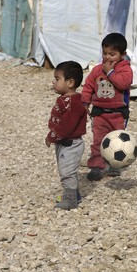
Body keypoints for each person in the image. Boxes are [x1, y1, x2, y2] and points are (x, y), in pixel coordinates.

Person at [81, 33, 133, 181]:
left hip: (118, 113)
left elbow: (123, 83)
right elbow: (88, 87)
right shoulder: (97, 70)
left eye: (112, 54)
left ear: (123, 54)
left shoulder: (125, 70)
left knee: (117, 140)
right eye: (105, 53)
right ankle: (96, 166)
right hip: (100, 112)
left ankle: (115, 165)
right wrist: (85, 103)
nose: (108, 57)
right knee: (98, 139)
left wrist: (109, 72)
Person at [46, 61, 88, 210]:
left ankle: (71, 199)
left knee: (67, 171)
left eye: (57, 79)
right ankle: (74, 194)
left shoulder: (74, 103)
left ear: (70, 82)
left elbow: (66, 126)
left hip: (71, 143)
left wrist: (52, 135)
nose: (54, 82)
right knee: (67, 169)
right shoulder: (65, 100)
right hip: (63, 142)